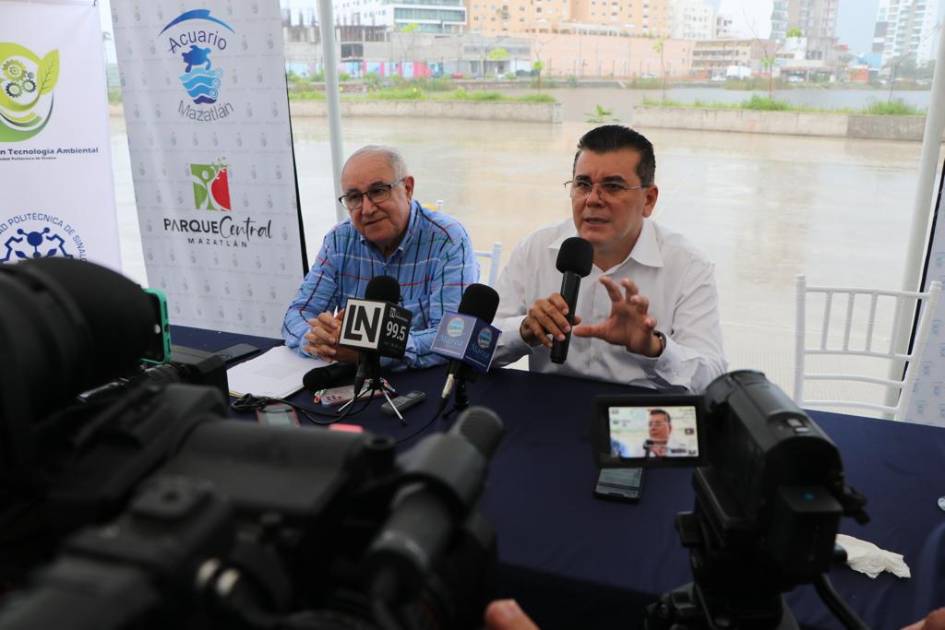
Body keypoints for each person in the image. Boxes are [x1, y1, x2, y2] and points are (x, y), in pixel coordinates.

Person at [491, 125, 726, 392]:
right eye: (583, 184)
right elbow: (473, 344)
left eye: (613, 187)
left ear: (648, 200)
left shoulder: (688, 265)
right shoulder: (535, 249)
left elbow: (712, 379)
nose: (592, 200)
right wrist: (523, 331)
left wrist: (655, 348)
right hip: (550, 402)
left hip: (641, 409)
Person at [282, 145, 478, 367]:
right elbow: (297, 313)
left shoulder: (447, 240)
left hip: (422, 380)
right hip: (351, 377)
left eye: (378, 191)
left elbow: (454, 338)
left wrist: (371, 353)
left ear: (408, 188)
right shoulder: (339, 240)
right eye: (354, 197)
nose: (367, 209)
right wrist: (318, 340)